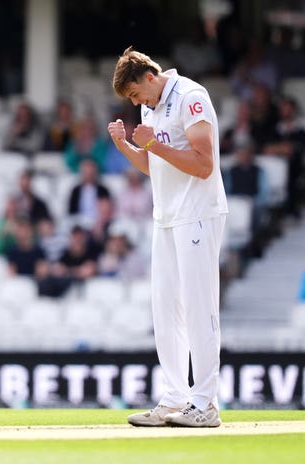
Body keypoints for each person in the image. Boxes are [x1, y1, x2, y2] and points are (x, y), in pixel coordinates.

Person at [108, 47, 228, 427]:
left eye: (134, 94)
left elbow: (204, 165)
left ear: (148, 77)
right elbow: (153, 165)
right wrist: (125, 145)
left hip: (197, 215)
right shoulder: (150, 107)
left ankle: (205, 404)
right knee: (165, 310)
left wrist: (151, 143)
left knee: (198, 308)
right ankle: (175, 397)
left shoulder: (191, 98)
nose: (136, 102)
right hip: (166, 217)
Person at [261, 96, 305, 219]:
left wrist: (278, 149)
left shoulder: (301, 130)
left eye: (288, 109)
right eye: (283, 109)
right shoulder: (274, 129)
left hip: (294, 170)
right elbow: (266, 149)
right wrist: (283, 149)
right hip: (274, 167)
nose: (285, 112)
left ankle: (292, 209)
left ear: (293, 111)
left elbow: (294, 150)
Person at [67, 158, 111, 226]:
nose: (88, 175)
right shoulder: (76, 190)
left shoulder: (103, 190)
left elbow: (107, 209)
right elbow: (71, 211)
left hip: (97, 221)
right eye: (86, 172)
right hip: (79, 221)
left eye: (90, 173)